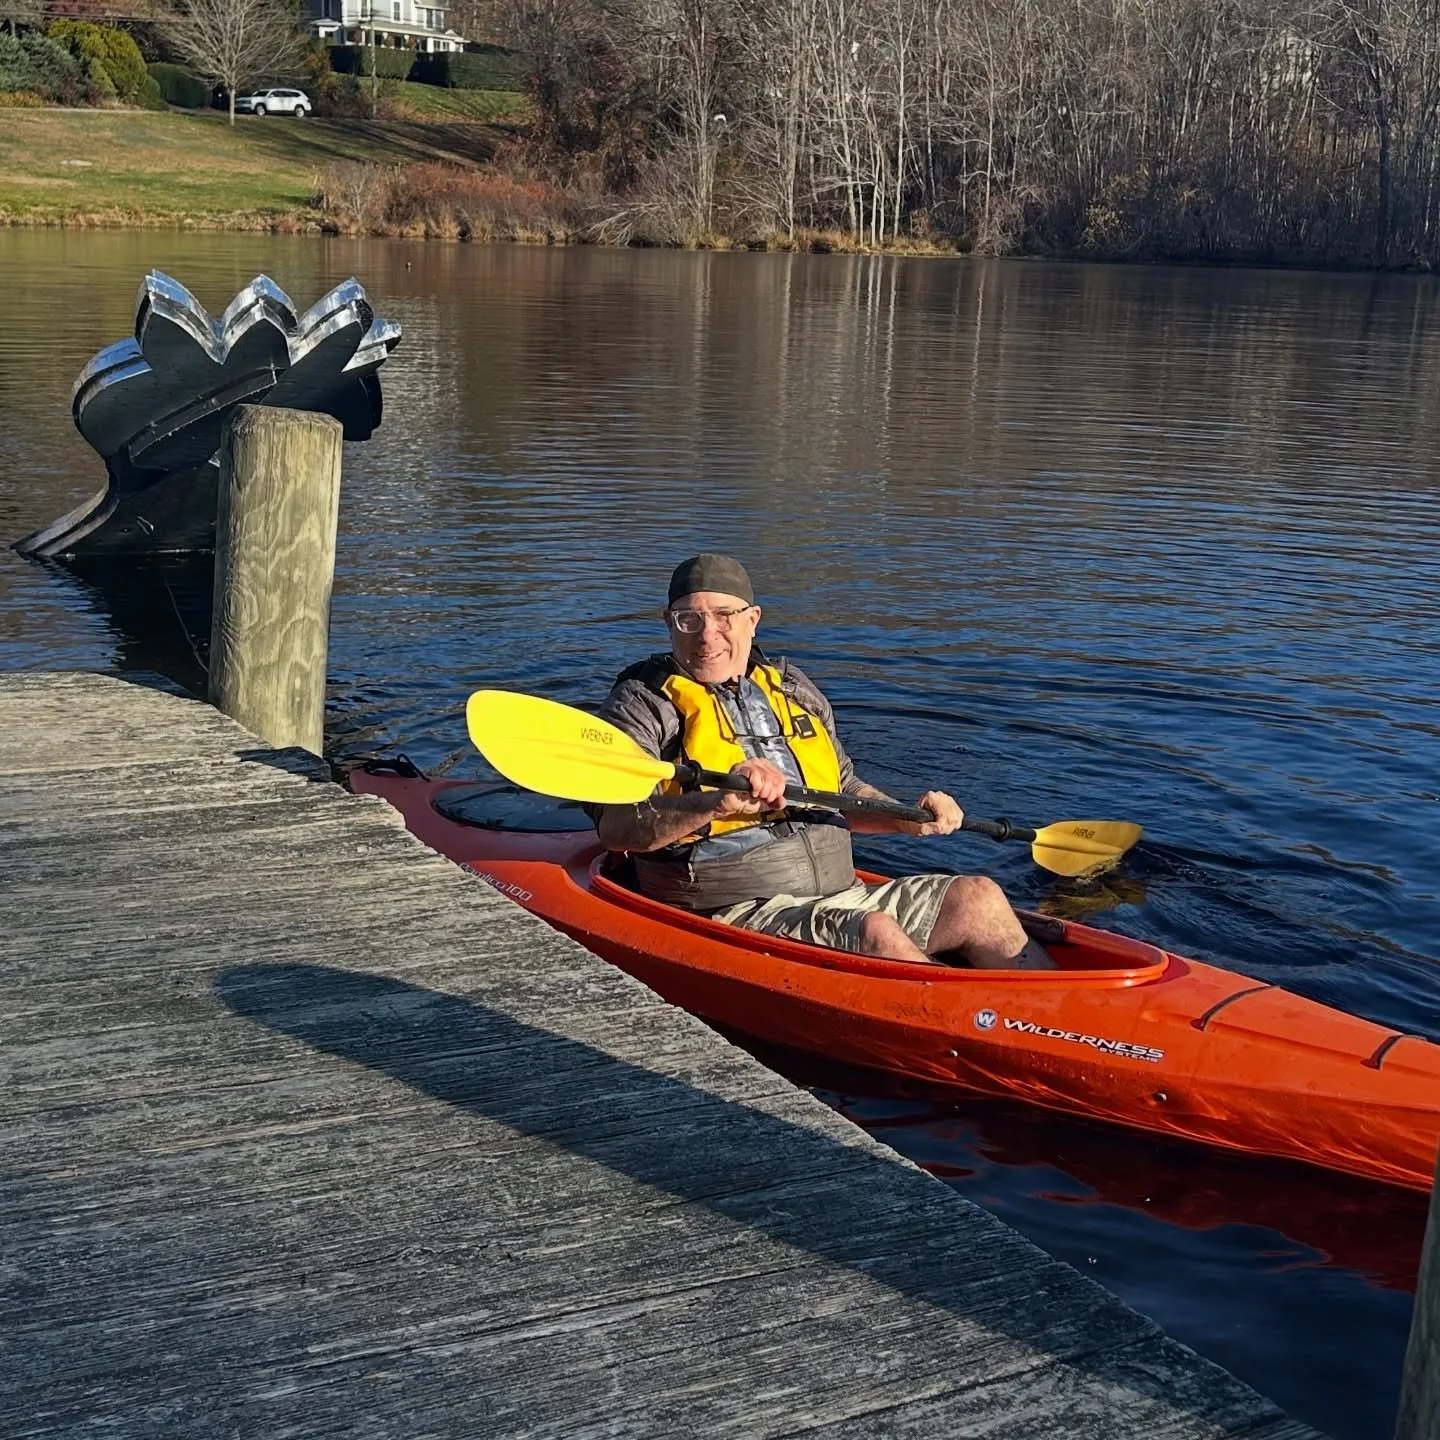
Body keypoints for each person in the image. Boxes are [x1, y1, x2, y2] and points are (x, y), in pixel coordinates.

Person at [592, 554, 1054, 969]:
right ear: (669, 623)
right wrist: (715, 803)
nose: (707, 634)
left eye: (724, 615)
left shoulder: (793, 689)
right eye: (689, 619)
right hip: (733, 908)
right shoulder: (642, 704)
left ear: (753, 619)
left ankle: (1054, 1024)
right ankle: (983, 1037)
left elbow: (844, 791)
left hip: (840, 890)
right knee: (876, 934)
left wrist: (909, 819)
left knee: (980, 898)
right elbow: (616, 828)